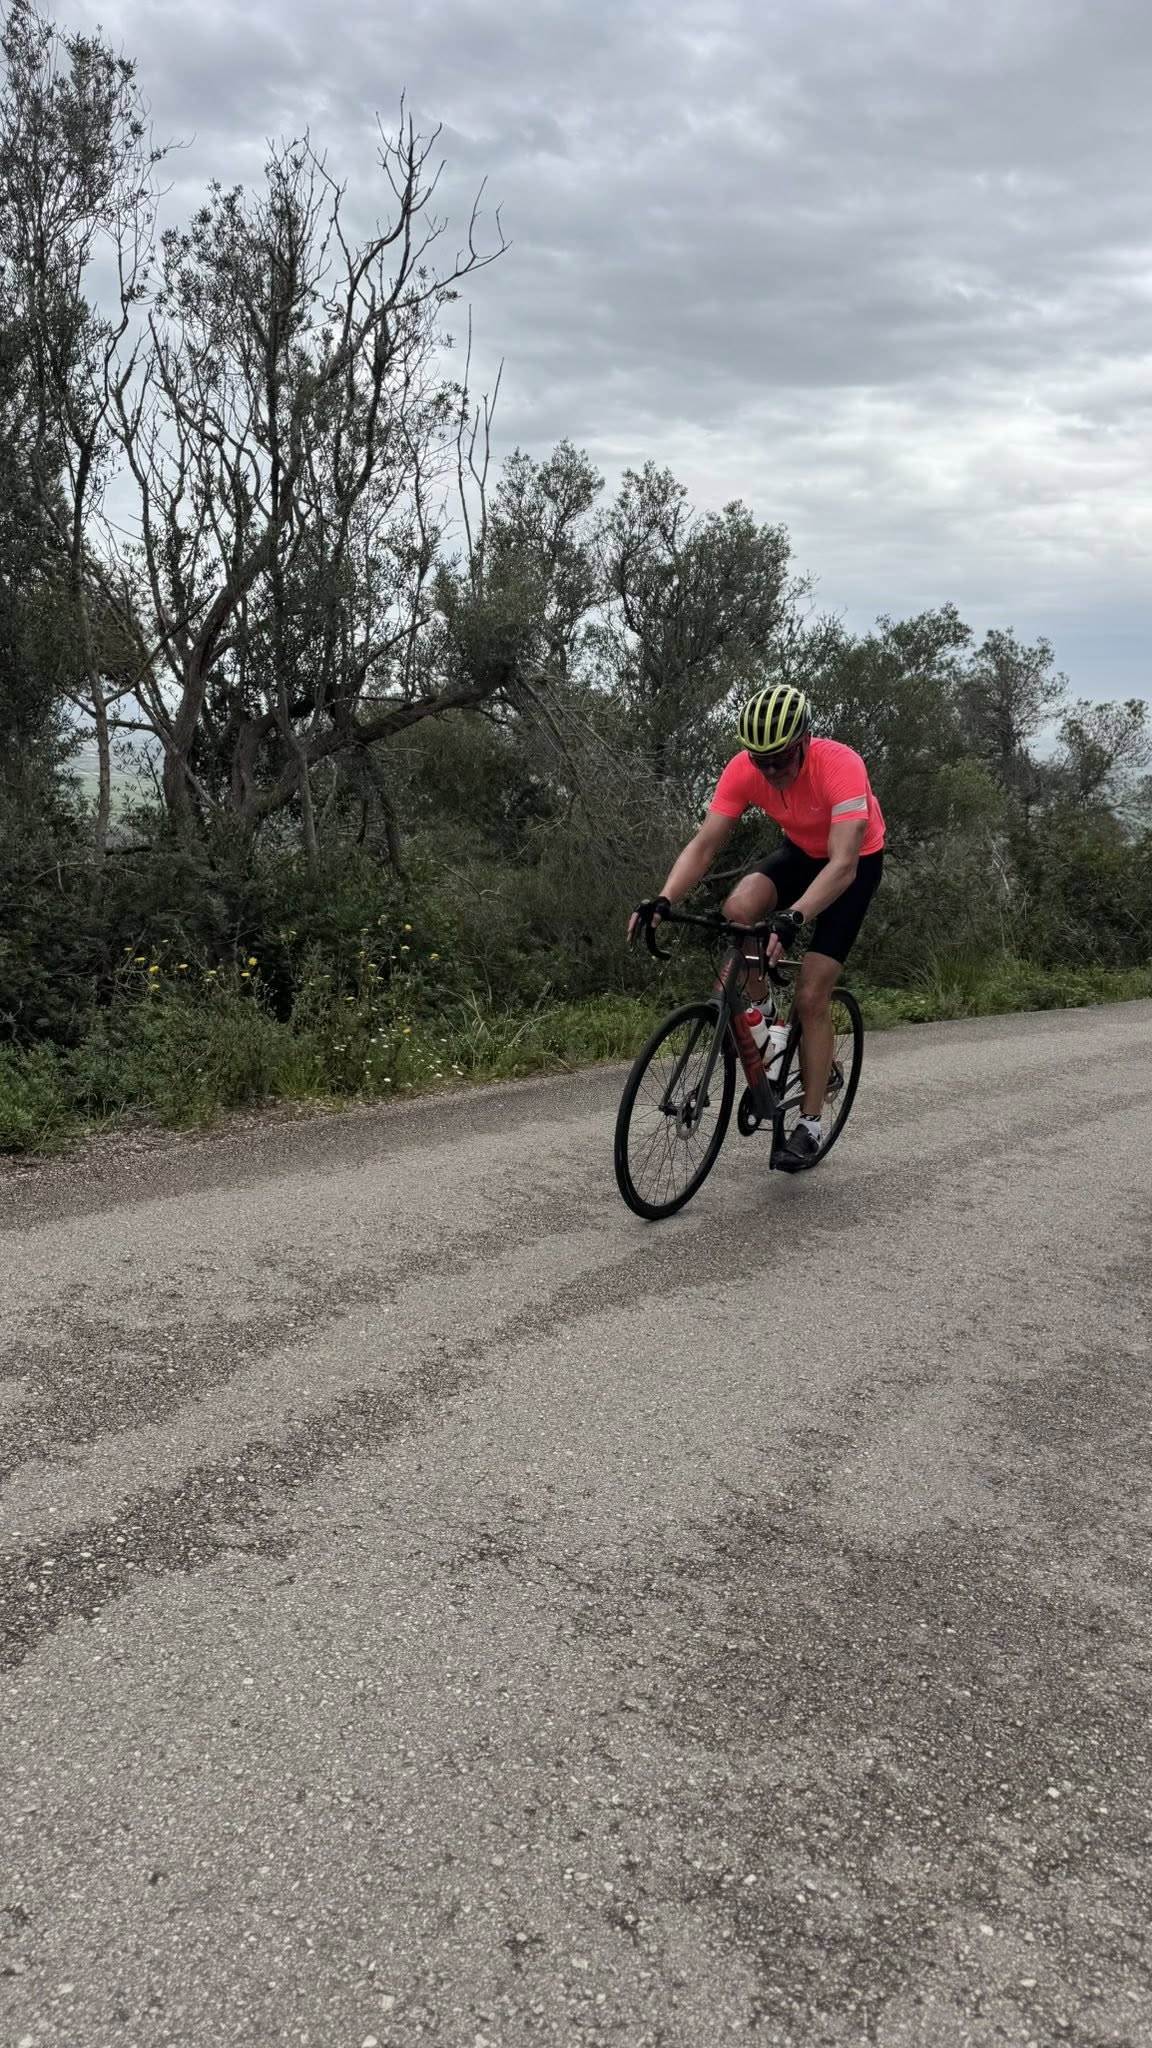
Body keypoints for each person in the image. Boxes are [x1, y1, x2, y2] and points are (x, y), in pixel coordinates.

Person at [629, 684, 885, 1171]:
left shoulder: (841, 765)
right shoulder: (743, 769)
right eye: (760, 761)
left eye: (780, 759)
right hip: (800, 854)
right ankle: (764, 1015)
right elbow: (705, 845)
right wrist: (665, 898)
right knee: (738, 909)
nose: (770, 771)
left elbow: (844, 864)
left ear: (804, 741)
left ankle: (809, 1126)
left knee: (811, 995)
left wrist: (794, 917)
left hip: (851, 866)